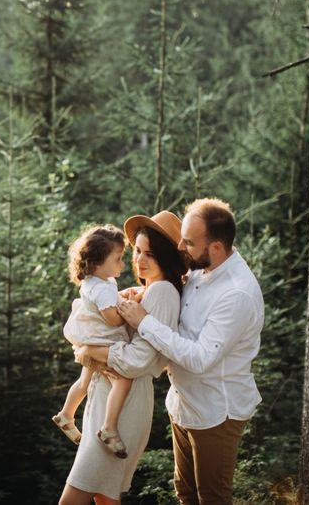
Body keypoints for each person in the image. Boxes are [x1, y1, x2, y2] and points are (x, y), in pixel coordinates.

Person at [117, 198, 264, 505]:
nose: (180, 247)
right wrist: (145, 293)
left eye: (189, 242)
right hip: (183, 403)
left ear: (217, 248)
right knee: (185, 493)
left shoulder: (236, 294)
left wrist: (144, 322)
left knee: (211, 497)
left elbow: (199, 358)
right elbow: (179, 300)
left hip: (215, 411)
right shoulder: (202, 266)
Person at [59, 211, 187, 505]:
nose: (139, 260)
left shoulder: (164, 292)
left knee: (75, 495)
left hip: (125, 400)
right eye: (137, 251)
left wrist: (91, 352)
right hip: (109, 395)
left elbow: (139, 361)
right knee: (105, 496)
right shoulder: (149, 290)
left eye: (150, 254)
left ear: (165, 257)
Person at [53, 224, 133, 458]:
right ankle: (109, 428)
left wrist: (121, 297)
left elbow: (106, 304)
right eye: (118, 259)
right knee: (123, 380)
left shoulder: (94, 281)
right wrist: (129, 312)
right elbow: (113, 321)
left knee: (85, 380)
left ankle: (66, 414)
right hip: (103, 340)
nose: (123, 264)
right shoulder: (103, 289)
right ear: (98, 262)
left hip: (92, 336)